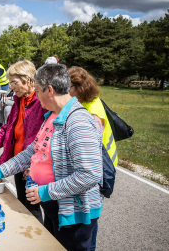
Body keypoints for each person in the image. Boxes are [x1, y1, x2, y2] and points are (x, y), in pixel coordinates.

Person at [0, 63, 103, 251]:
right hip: (55, 204)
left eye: (37, 90)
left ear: (50, 90)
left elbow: (90, 174)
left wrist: (45, 192)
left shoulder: (78, 122)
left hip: (74, 213)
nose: (36, 96)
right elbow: (32, 152)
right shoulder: (52, 116)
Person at [0, 61, 46, 222]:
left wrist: (35, 164)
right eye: (10, 82)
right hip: (18, 163)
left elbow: (47, 140)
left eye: (14, 82)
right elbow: (6, 131)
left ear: (28, 80)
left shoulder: (42, 104)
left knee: (32, 210)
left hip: (33, 167)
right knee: (22, 205)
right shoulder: (19, 101)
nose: (11, 87)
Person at [68, 66, 118, 251]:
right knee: (88, 218)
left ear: (77, 87)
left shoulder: (93, 108)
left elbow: (88, 147)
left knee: (89, 215)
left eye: (68, 87)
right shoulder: (85, 101)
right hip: (98, 164)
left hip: (101, 167)